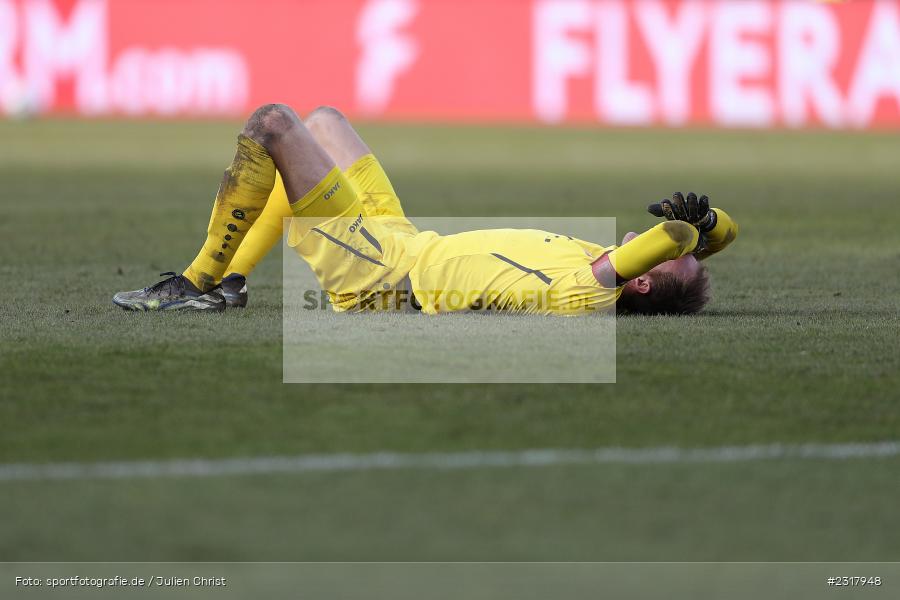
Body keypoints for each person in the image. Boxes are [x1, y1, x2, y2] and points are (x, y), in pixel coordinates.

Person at [113, 104, 738, 315]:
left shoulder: (589, 291)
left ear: (647, 276)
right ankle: (232, 283)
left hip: (381, 275)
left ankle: (195, 282)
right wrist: (713, 229)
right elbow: (700, 241)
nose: (668, 237)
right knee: (325, 122)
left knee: (273, 124)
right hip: (404, 239)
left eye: (672, 254)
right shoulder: (598, 261)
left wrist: (684, 233)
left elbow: (666, 239)